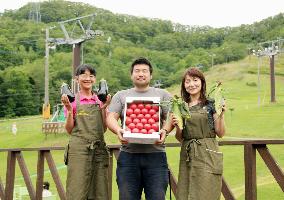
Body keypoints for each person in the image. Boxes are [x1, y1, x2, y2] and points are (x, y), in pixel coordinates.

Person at [106, 57, 172, 200]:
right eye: (137, 71)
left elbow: (171, 117)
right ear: (131, 75)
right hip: (128, 157)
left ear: (151, 75)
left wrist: (165, 131)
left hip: (156, 157)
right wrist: (118, 130)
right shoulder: (121, 95)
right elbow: (111, 117)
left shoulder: (163, 94)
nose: (141, 74)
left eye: (144, 71)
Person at [165, 67, 226, 200]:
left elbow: (220, 133)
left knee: (206, 192)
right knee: (186, 192)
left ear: (202, 82)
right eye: (187, 81)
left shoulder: (211, 103)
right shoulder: (181, 105)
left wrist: (221, 115)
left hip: (208, 152)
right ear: (184, 85)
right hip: (188, 153)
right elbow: (180, 138)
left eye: (195, 80)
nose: (191, 84)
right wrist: (178, 126)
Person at [61, 64, 111, 200]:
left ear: (95, 79)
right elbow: (69, 130)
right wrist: (70, 111)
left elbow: (104, 129)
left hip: (98, 150)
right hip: (79, 150)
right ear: (77, 79)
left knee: (100, 190)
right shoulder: (71, 101)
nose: (87, 78)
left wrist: (104, 108)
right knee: (77, 190)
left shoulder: (100, 100)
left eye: (91, 76)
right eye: (83, 75)